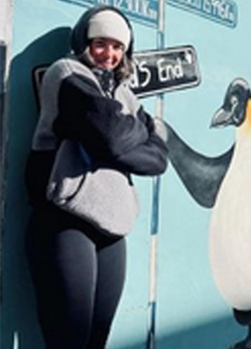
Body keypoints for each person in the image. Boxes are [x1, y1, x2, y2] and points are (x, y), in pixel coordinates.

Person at [24, 5, 168, 349]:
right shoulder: (67, 73)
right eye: (101, 43)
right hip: (65, 218)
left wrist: (123, 133)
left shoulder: (125, 95)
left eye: (118, 47)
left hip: (113, 224)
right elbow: (111, 137)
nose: (110, 54)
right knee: (68, 337)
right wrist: (134, 134)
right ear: (85, 42)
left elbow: (160, 155)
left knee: (97, 338)